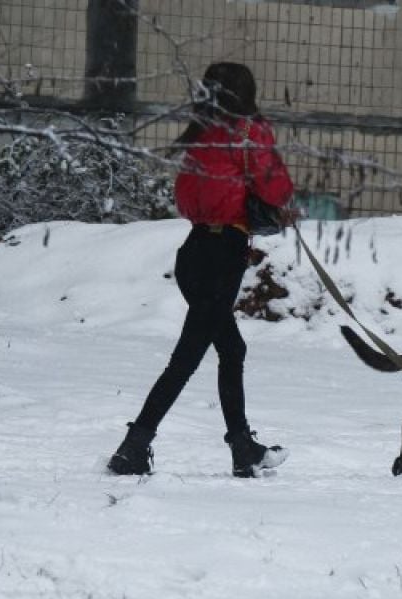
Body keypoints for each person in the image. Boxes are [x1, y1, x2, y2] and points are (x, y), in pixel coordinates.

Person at [106, 62, 294, 478]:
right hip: (222, 255)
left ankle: (243, 449)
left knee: (231, 349)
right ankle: (133, 446)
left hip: (193, 251)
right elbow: (277, 189)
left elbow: (187, 197)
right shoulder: (249, 132)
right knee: (186, 359)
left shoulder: (201, 132)